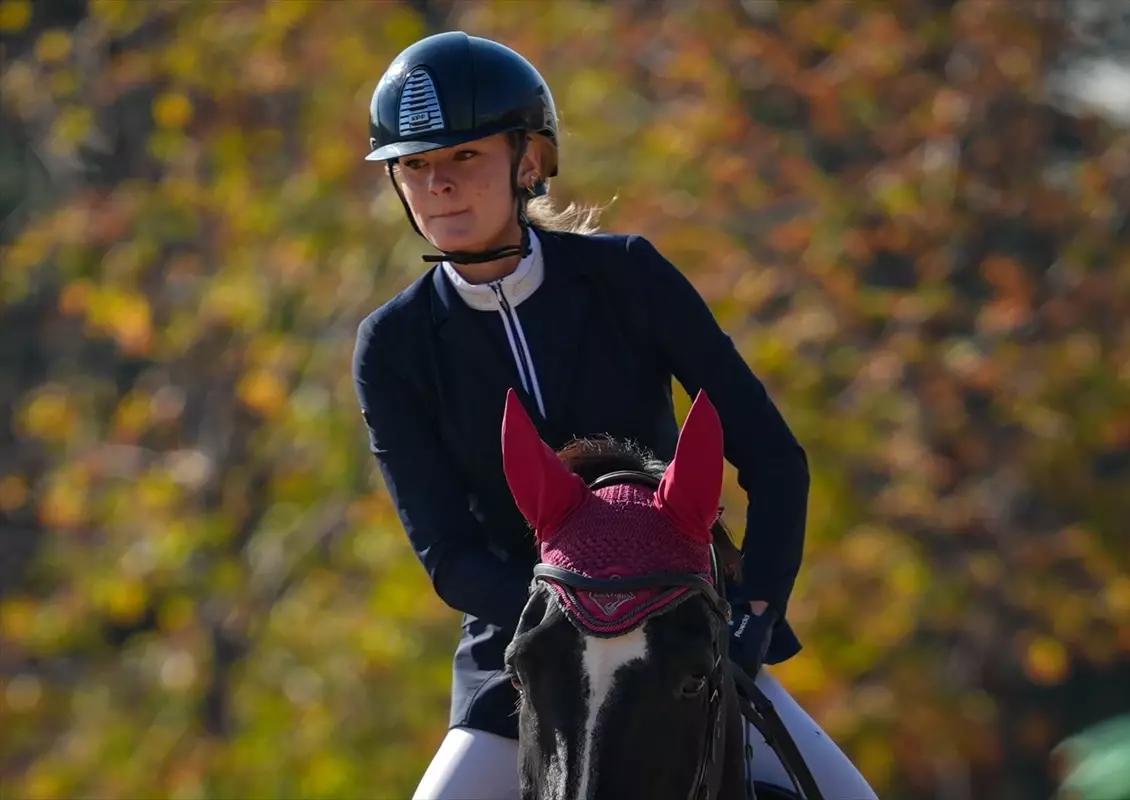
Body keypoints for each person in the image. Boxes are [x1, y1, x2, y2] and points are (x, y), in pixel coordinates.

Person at [353, 30, 877, 800]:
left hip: (685, 635)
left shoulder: (629, 276)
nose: (439, 186)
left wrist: (755, 610)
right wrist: (575, 616)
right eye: (416, 166)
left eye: (464, 157)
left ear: (527, 161)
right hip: (526, 653)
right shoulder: (392, 345)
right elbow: (448, 554)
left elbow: (773, 458)